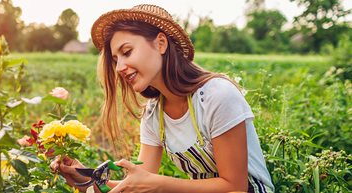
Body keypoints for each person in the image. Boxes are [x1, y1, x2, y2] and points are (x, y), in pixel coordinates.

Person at [51, 4, 274, 193]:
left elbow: (235, 185)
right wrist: (87, 178)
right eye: (116, 59)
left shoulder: (216, 96)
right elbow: (139, 185)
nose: (119, 67)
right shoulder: (154, 113)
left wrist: (158, 184)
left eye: (127, 52)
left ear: (161, 43)